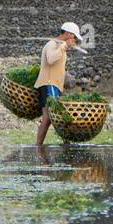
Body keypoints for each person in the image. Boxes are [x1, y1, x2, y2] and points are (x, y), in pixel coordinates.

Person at [35, 21, 86, 149]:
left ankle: (43, 145)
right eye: (74, 37)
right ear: (68, 34)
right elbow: (51, 59)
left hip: (54, 85)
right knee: (52, 116)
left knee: (50, 117)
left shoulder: (60, 46)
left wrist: (65, 47)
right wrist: (64, 47)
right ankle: (42, 146)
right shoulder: (52, 44)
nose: (74, 40)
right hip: (48, 84)